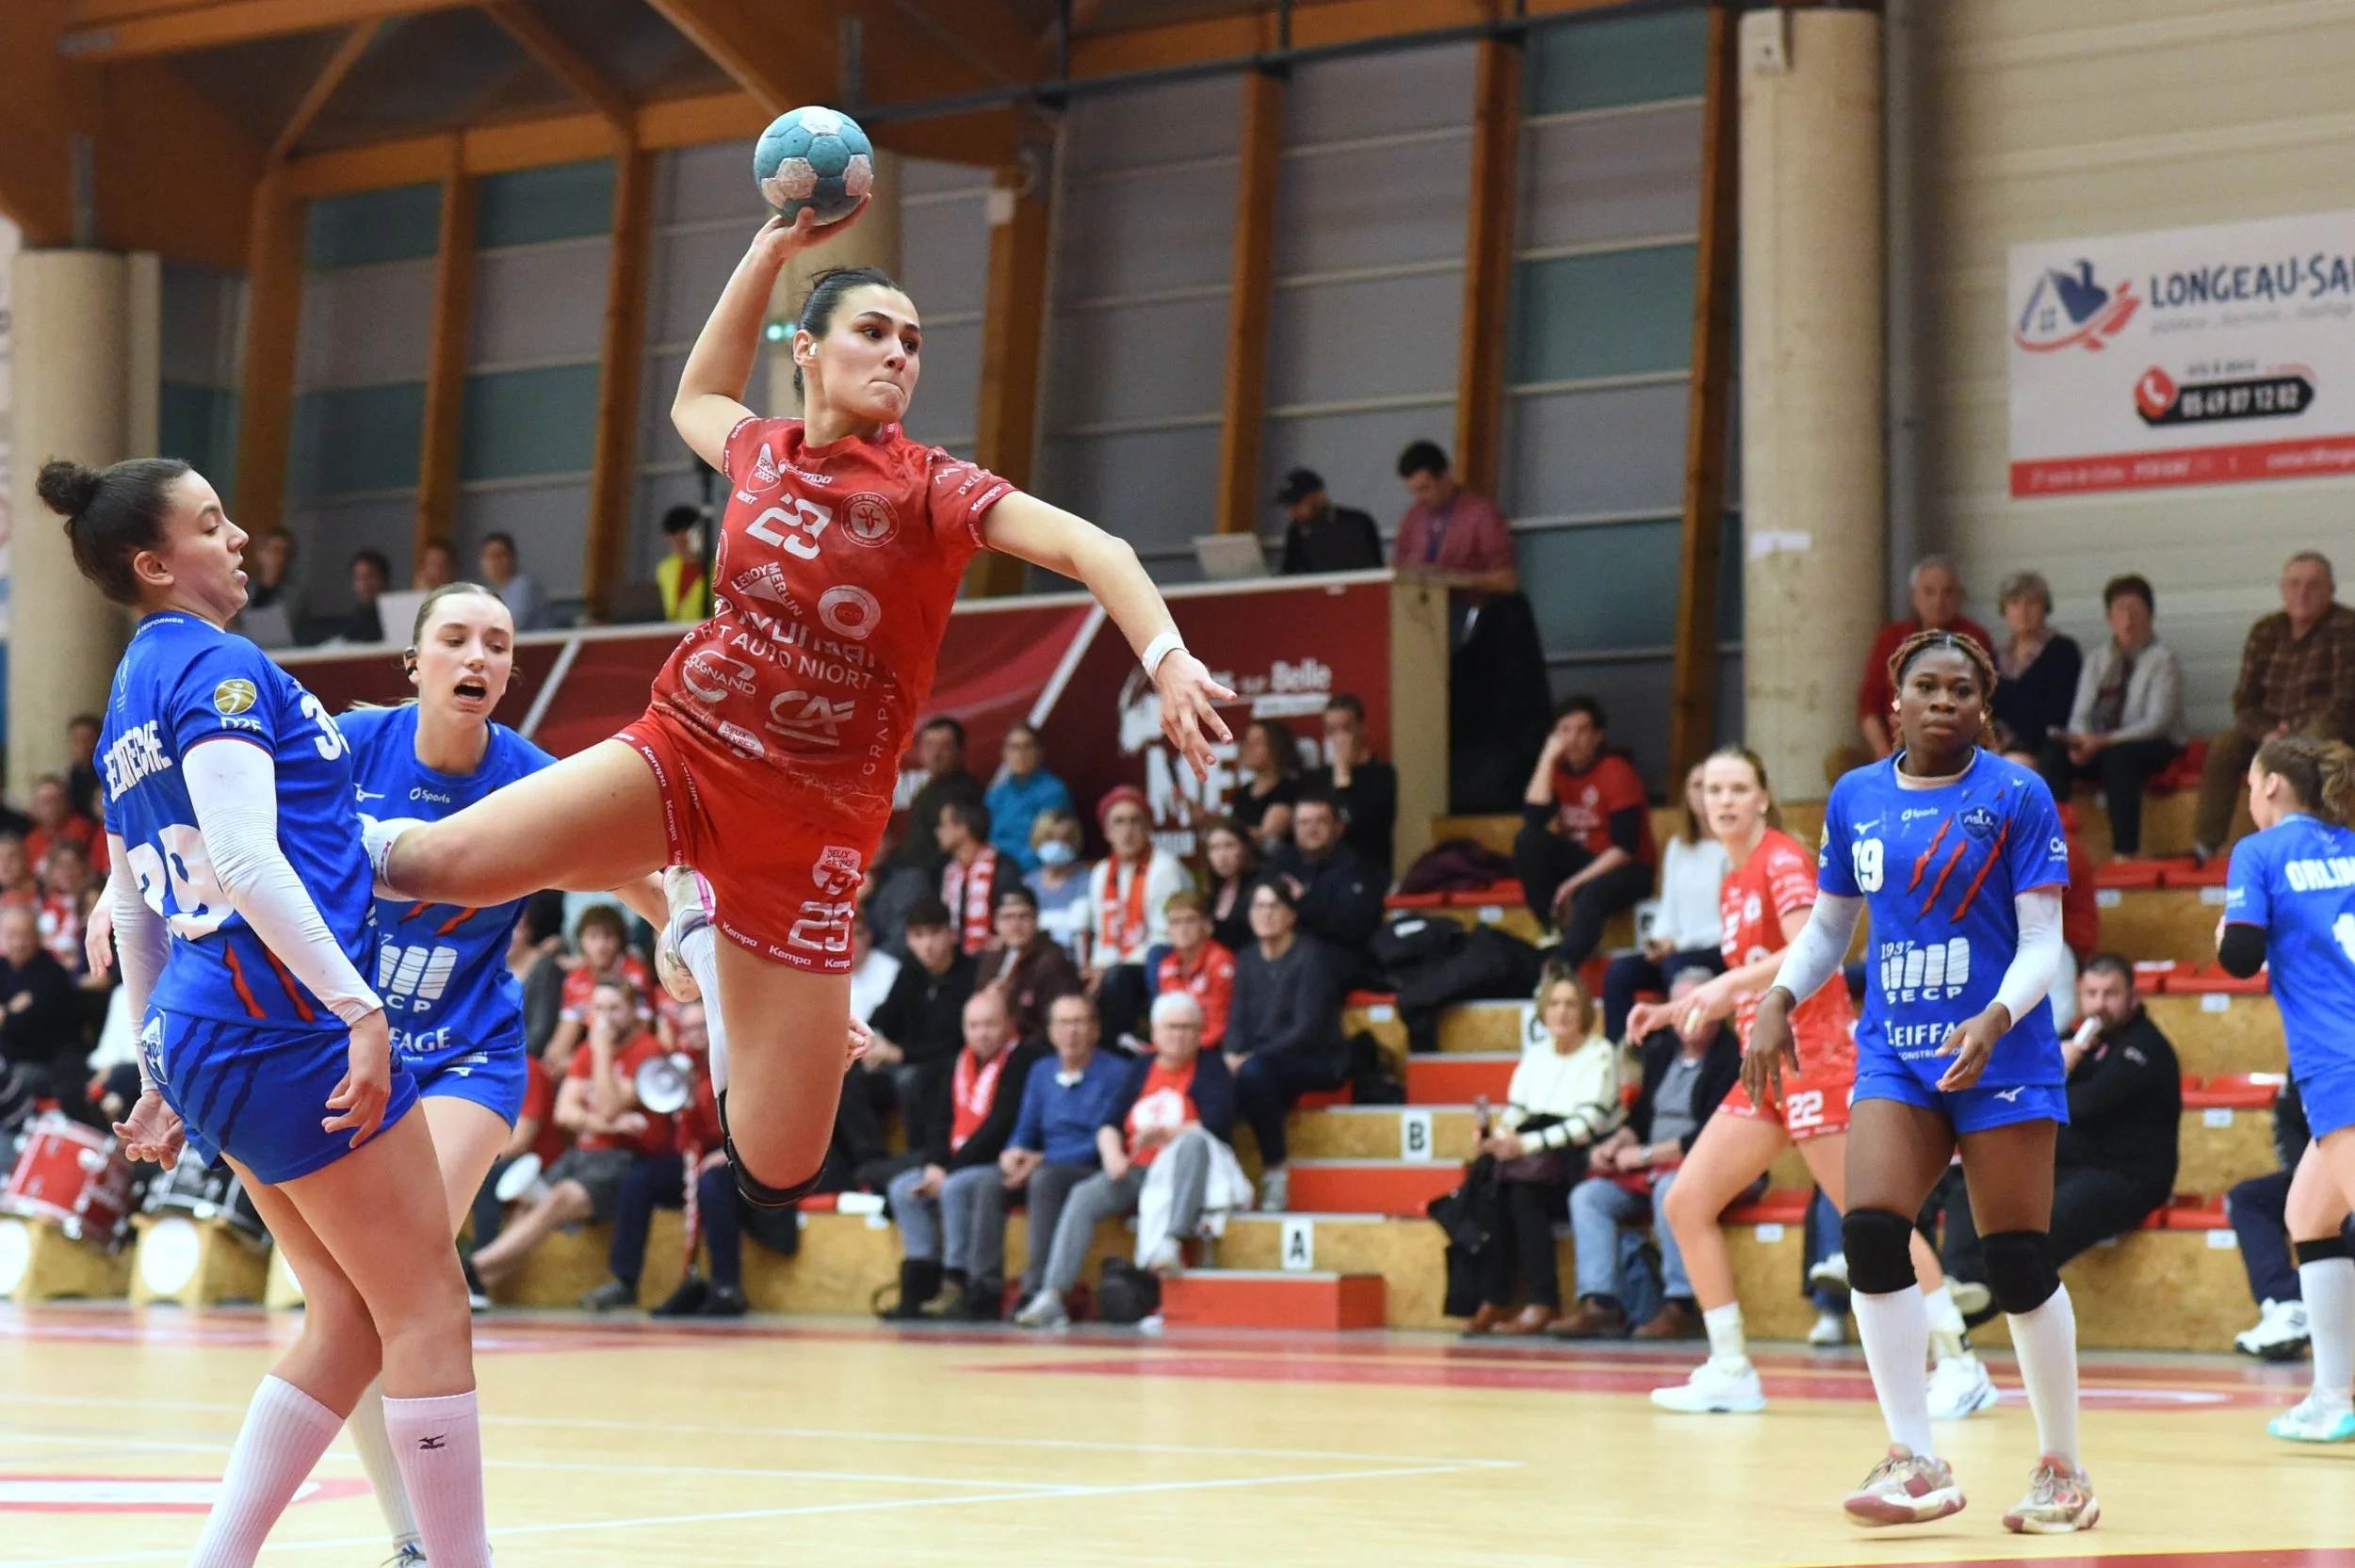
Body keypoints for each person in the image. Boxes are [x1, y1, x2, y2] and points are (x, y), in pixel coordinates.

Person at [367, 220, 1231, 1222]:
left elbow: (1097, 549)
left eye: (913, 341)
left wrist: (1168, 658)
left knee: (777, 1171)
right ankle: (259, 825)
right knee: (430, 865)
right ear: (808, 350)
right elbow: (694, 398)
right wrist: (766, 257)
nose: (899, 354)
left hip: (813, 831)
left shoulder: (930, 486)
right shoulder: (761, 452)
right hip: (685, 752)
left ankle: (702, 935)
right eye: (875, 332)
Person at [49, 455, 490, 1564]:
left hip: (208, 1030)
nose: (239, 536)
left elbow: (134, 905)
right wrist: (361, 1010)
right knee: (428, 1306)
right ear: (154, 565)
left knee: (347, 1316)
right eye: (210, 524)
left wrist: (158, 1072)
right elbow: (245, 862)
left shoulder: (127, 696)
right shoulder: (219, 666)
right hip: (284, 1021)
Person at [335, 581, 664, 1562]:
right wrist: (120, 887)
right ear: (415, 661)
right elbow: (212, 815)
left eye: (497, 643)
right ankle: (416, 1541)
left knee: (400, 1272)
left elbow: (640, 878)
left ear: (512, 671)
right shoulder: (346, 749)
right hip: (350, 1051)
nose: (477, 656)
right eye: (455, 638)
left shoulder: (531, 779)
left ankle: (443, 1545)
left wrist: (700, 947)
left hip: (466, 1053)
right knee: (350, 1309)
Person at [1751, 629, 2091, 1532]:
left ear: (1984, 705)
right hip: (1897, 1051)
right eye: (1927, 687)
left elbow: (2043, 943)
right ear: (1895, 701)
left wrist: (1995, 1017)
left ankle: (2062, 1468)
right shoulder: (1855, 796)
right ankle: (1914, 1456)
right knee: (1870, 1232)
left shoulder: (2017, 794)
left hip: (2002, 1051)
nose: (1944, 701)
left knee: (2016, 1261)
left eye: (1962, 690)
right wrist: (1779, 996)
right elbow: (1830, 927)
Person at [1639, 748, 1985, 1412]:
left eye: (1738, 788)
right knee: (1685, 1202)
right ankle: (1731, 1367)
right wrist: (1682, 1006)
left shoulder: (1780, 860)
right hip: (1765, 1064)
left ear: (1763, 797)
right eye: (1713, 789)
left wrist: (1723, 986)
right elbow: (1753, 977)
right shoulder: (1732, 877)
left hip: (1815, 1059)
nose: (1724, 800)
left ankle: (1960, 1363)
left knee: (1871, 1216)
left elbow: (1812, 950)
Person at [2217, 734, 2355, 1443]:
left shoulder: (2259, 851)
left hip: (2338, 1058)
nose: (2249, 795)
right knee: (2309, 1216)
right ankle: (2334, 1396)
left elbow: (2241, 956)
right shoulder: (2351, 845)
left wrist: (2226, 929)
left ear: (2271, 784)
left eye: (2249, 783)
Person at [1933, 955, 2178, 1318]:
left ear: (2133, 997)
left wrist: (2056, 1071)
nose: (2100, 1004)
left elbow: (2087, 1105)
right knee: (1970, 1184)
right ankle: (1954, 1282)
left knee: (2041, 1229)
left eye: (2111, 994)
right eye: (2092, 993)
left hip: (2125, 1177)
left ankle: (1968, 1309)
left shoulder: (2144, 1047)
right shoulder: (2074, 1041)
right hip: (2068, 1166)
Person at [1015, 990, 1239, 1326]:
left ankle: (1172, 1239)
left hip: (1183, 1171)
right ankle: (1053, 1294)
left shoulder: (1211, 1068)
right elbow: (1110, 1122)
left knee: (1193, 1142)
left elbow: (1216, 1126)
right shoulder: (1141, 1068)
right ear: (1156, 1032)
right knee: (1084, 1195)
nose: (1179, 1036)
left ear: (1199, 1033)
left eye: (1187, 1028)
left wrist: (1165, 1134)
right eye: (1171, 1027)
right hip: (1139, 1168)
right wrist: (1112, 1155)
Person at [1553, 967, 1739, 1339]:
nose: (1687, 1015)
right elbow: (1639, 1119)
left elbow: (1712, 1132)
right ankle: (1600, 1303)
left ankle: (1682, 1304)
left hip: (1710, 1163)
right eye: (1680, 1006)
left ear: (1718, 1009)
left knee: (1672, 1190)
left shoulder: (1732, 1056)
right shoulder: (1661, 1051)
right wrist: (1616, 1143)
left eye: (1697, 1005)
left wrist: (1645, 1156)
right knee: (1588, 1196)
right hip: (1652, 1164)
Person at [468, 978, 673, 1293]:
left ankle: (470, 1268)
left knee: (559, 1198)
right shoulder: (586, 1050)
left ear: (634, 1011)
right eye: (599, 1009)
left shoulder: (648, 1051)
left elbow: (609, 1106)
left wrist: (602, 1051)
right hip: (583, 1154)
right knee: (527, 1203)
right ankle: (477, 1287)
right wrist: (610, 1125)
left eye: (614, 1009)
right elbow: (564, 1113)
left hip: (623, 1159)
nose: (605, 1018)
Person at [1461, 965, 1626, 1335]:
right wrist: (1497, 1138)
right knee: (1489, 1179)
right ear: (1543, 1011)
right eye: (1554, 1004)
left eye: (1571, 1004)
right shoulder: (1535, 1055)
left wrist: (1524, 1145)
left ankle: (1543, 1299)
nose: (1562, 1012)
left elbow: (1585, 1127)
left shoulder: (1600, 1053)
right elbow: (1517, 1111)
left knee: (1523, 1189)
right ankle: (1493, 1295)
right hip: (1535, 1154)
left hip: (1577, 1159)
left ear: (1584, 1011)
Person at [880, 987, 1048, 1319]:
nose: (981, 1033)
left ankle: (956, 1281)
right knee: (901, 1189)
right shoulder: (958, 1063)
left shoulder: (1023, 1062)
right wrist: (933, 1165)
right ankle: (919, 1285)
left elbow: (1000, 1124)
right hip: (955, 1163)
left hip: (995, 1161)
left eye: (990, 1024)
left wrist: (949, 1172)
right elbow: (940, 1121)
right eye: (973, 1026)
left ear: (1009, 1024)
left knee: (955, 1188)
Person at [580, 1001, 753, 1317]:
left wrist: (729, 1153)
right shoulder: (682, 1068)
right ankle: (625, 1279)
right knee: (640, 1178)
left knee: (712, 1185)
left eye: (702, 1027)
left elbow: (757, 1121)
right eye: (688, 1029)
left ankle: (726, 1285)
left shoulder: (738, 1063)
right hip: (696, 1159)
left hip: (739, 1162)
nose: (695, 1035)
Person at [973, 993, 1129, 1320]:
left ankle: (1036, 1289)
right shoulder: (1041, 1071)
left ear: (1096, 1030)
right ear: (1051, 1031)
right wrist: (1014, 1152)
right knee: (990, 1181)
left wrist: (1042, 1160)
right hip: (1044, 1162)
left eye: (1079, 1022)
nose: (1071, 1031)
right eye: (1063, 1023)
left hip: (1087, 1166)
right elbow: (1025, 1127)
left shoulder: (1118, 1072)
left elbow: (1103, 1137)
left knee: (1045, 1181)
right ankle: (983, 1290)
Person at [2196, 552, 2355, 863]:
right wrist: (2267, 733)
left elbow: (2345, 699)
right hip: (2269, 731)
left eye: (2313, 585)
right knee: (2224, 746)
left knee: (2317, 740)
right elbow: (2244, 699)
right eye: (2294, 584)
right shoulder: (2265, 630)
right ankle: (2205, 846)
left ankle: (2317, 843)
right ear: (2282, 589)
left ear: (2331, 590)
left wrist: (2292, 737)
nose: (2302, 593)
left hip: (2327, 730)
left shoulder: (2348, 627)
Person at [1226, 878, 1351, 1214]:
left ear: (1291, 915)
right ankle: (1221, 1182)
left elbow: (1307, 1029)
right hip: (1263, 1060)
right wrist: (1229, 1055)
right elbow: (1236, 1019)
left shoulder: (1312, 956)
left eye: (1274, 906)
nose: (1265, 914)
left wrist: (1249, 1058)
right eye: (1258, 906)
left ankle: (1275, 1170)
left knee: (1254, 1073)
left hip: (1315, 1058)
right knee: (1217, 1075)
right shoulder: (1247, 958)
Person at [2038, 573, 2185, 860]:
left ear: (2150, 616)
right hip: (2099, 744)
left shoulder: (2163, 659)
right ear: (2109, 619)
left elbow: (2157, 723)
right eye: (2120, 612)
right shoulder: (2097, 659)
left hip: (2152, 744)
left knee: (2120, 758)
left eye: (2136, 612)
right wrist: (2080, 741)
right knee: (2053, 754)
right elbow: (2080, 712)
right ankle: (2057, 846)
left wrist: (2104, 741)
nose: (2128, 621)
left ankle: (2124, 854)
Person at [1513, 696, 1655, 963]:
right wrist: (1546, 758)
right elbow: (1533, 819)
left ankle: (1562, 966)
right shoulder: (1556, 770)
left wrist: (1573, 883)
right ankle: (1549, 929)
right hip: (1585, 859)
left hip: (1628, 867)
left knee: (1589, 894)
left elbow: (1626, 848)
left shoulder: (1617, 771)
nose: (1572, 739)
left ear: (1597, 736)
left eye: (1581, 731)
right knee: (1528, 841)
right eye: (1564, 730)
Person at [1600, 761, 1729, 1042]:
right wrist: (1658, 940)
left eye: (1712, 786)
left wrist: (1677, 944)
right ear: (1686, 795)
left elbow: (1731, 924)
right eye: (1697, 786)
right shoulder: (1678, 847)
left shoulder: (1732, 848)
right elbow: (1668, 907)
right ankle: (1624, 1054)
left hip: (1720, 951)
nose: (1704, 793)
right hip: (1678, 950)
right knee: (1619, 972)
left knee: (1676, 967)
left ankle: (1675, 1053)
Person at [2227, 1080, 2355, 1361]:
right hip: (2324, 1166)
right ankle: (2288, 1302)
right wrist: (2306, 1179)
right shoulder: (2309, 1058)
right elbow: (2287, 1120)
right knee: (2250, 1198)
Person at [1856, 556, 1994, 761]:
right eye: (1929, 592)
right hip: (1895, 750)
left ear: (1960, 597)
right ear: (1913, 597)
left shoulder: (1975, 638)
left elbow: (1986, 708)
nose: (1938, 601)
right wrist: (1884, 754)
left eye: (1948, 592)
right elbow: (1868, 707)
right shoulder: (1891, 638)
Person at [1084, 785, 1193, 1041]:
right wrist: (1097, 967)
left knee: (1117, 978)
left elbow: (1164, 936)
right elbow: (1101, 933)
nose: (1127, 830)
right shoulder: (1101, 873)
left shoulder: (1164, 868)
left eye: (1135, 821)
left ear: (1148, 828)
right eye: (1119, 822)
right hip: (1117, 962)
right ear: (1106, 831)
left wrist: (1111, 967)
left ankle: (1118, 1047)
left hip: (1157, 960)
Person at [860, 897, 977, 1120]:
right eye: (918, 936)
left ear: (951, 934)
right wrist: (871, 1041)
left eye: (934, 933)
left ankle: (923, 1144)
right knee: (848, 1077)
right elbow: (885, 1015)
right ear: (908, 939)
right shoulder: (911, 971)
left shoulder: (970, 975)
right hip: (906, 1059)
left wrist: (901, 1054)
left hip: (947, 1064)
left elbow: (955, 1042)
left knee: (910, 1081)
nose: (927, 945)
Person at [1262, 789, 1383, 952]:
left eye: (1321, 821)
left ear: (1338, 827)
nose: (1311, 829)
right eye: (1303, 823)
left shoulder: (1354, 868)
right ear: (1293, 828)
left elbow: (1354, 927)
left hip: (1337, 956)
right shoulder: (1283, 861)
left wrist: (1301, 902)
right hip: (1284, 955)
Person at [1390, 440, 1516, 593]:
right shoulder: (1412, 517)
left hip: (1467, 602)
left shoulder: (1482, 515)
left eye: (1424, 489)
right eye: (1413, 492)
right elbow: (1397, 566)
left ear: (1445, 477)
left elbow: (1507, 581)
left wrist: (1453, 578)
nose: (1419, 499)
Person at [0, 904, 88, 1112]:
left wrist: (6, 1014)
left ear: (37, 937)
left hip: (42, 1063)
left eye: (25, 936)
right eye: (11, 936)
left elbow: (25, 1027)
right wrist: (11, 1010)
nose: (18, 943)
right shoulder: (2, 967)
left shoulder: (51, 973)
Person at [544, 903, 653, 1063]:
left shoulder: (635, 973)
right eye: (593, 937)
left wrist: (588, 1063)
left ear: (620, 940)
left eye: (609, 937)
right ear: (580, 940)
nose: (601, 946)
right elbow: (566, 1031)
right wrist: (554, 1061)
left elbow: (641, 1029)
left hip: (628, 1053)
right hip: (591, 1050)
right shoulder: (576, 978)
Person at [975, 884, 1082, 1043]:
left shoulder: (1054, 961)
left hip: (1037, 1047)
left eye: (1023, 917)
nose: (1015, 925)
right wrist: (988, 999)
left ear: (1037, 919)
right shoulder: (992, 960)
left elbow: (1057, 1025)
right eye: (1007, 917)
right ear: (996, 923)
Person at [1306, 693, 1398, 877]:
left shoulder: (1382, 775)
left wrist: (1343, 773)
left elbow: (1354, 826)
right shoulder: (1319, 778)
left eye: (1346, 729)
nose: (1338, 737)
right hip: (1324, 872)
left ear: (1362, 728)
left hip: (1368, 872)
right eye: (1332, 730)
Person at [1990, 571, 2081, 756]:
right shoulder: (1995, 656)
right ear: (2004, 610)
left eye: (2031, 603)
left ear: (2045, 608)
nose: (2023, 611)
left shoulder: (2062, 650)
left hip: (2043, 748)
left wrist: (2013, 739)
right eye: (2015, 603)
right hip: (1997, 747)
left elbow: (2059, 712)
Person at [892, 717, 985, 877]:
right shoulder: (928, 787)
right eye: (929, 745)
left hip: (934, 877)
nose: (935, 754)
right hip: (906, 870)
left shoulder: (965, 793)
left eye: (944, 746)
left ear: (960, 751)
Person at [984, 720, 1073, 875]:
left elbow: (1049, 844)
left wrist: (1008, 870)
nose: (1021, 754)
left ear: (1040, 752)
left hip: (1037, 873)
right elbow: (987, 840)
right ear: (1004, 754)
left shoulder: (1053, 792)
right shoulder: (995, 795)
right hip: (998, 871)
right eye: (1014, 748)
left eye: (1027, 747)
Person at [1154, 892, 1235, 1051]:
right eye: (1175, 922)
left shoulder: (1221, 961)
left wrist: (1182, 1049)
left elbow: (1219, 1026)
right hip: (1180, 1047)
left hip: (1212, 1048)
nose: (1182, 929)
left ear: (1206, 925)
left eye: (1190, 920)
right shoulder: (1166, 965)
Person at [1274, 468, 1383, 576]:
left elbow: (1374, 573)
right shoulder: (1296, 532)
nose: (1292, 513)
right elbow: (1288, 575)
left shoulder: (1357, 523)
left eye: (1297, 505)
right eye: (1288, 506)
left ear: (1318, 496)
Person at [1024, 808, 1092, 963]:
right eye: (1050, 838)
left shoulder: (1085, 879)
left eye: (1064, 839)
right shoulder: (1028, 883)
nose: (1057, 845)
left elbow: (1078, 928)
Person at [935, 799, 1002, 957]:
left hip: (992, 958)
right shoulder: (950, 871)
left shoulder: (1001, 868)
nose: (937, 832)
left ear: (963, 828)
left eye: (943, 825)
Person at [1230, 718, 1303, 851]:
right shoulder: (1243, 793)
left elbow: (1267, 837)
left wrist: (1219, 825)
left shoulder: (1289, 789)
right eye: (1246, 741)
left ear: (1277, 748)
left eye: (1257, 742)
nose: (1248, 748)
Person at [1199, 816, 1259, 954]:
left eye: (1229, 846)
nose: (1222, 856)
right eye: (1214, 848)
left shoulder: (1258, 886)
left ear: (1244, 848)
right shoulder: (1210, 892)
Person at [476, 532, 550, 632]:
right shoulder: (489, 593)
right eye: (489, 556)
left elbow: (508, 626)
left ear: (513, 558)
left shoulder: (524, 587)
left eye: (499, 556)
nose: (494, 562)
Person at [656, 505, 711, 622]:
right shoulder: (664, 569)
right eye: (673, 533)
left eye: (684, 531)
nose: (678, 539)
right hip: (674, 632)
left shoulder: (719, 567)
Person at [340, 547, 391, 644]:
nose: (364, 585)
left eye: (370, 577)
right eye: (358, 578)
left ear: (384, 579)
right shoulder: (355, 619)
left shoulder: (395, 617)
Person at [65, 713, 103, 822]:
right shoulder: (74, 775)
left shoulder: (109, 773)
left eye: (88, 739)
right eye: (77, 740)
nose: (82, 746)